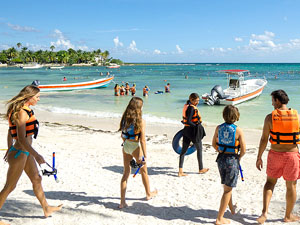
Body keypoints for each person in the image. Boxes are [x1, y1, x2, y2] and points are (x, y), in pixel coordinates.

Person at [0, 85, 63, 219]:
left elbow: (10, 131)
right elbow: (22, 139)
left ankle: (46, 208)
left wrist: (9, 147)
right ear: (29, 97)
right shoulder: (22, 112)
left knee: (37, 178)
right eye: (37, 97)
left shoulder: (22, 110)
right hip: (19, 153)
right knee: (10, 186)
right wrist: (37, 155)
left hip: (23, 152)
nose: (38, 99)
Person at [256, 90, 300, 224]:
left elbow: (264, 139)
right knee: (291, 186)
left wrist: (259, 157)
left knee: (270, 183)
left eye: (272, 100)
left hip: (275, 154)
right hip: (292, 155)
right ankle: (288, 216)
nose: (271, 103)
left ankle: (264, 213)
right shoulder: (296, 116)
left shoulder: (270, 117)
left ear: (277, 101)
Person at [118, 97, 157, 208]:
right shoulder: (141, 121)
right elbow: (142, 140)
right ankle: (148, 194)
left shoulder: (125, 118)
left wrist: (126, 143)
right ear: (139, 108)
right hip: (135, 147)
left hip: (125, 147)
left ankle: (122, 202)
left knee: (125, 173)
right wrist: (145, 155)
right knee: (144, 171)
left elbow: (122, 135)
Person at [212, 105, 246, 225]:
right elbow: (243, 150)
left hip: (221, 159)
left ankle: (231, 209)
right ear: (236, 116)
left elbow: (213, 144)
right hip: (232, 159)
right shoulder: (238, 130)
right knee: (228, 189)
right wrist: (239, 157)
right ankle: (219, 218)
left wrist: (221, 151)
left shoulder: (218, 128)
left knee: (227, 186)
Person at [179, 93, 209, 176]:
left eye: (198, 101)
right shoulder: (191, 109)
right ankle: (201, 169)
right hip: (193, 132)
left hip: (186, 130)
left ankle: (180, 171)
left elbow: (186, 121)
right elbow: (189, 121)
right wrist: (196, 126)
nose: (197, 103)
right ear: (191, 100)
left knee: (183, 151)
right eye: (196, 101)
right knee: (199, 149)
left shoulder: (188, 106)